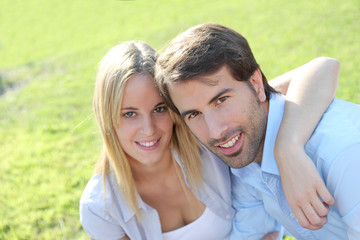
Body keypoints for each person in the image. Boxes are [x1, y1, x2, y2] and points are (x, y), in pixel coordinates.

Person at [79, 39, 338, 240]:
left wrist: (288, 150)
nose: (149, 129)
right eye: (129, 114)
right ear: (106, 117)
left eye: (159, 109)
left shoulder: (211, 138)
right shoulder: (100, 206)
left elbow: (323, 68)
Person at [155, 23, 360, 240]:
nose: (215, 132)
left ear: (256, 84)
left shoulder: (343, 155)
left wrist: (288, 149)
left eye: (221, 100)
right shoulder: (246, 159)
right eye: (194, 114)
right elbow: (250, 233)